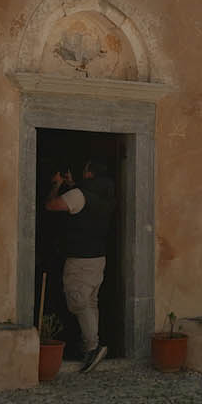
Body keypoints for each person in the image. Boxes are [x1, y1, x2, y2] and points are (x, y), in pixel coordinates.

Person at [44, 157, 115, 372]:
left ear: (89, 173)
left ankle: (93, 347)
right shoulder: (105, 195)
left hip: (80, 259)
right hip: (98, 257)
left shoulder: (77, 195)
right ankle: (91, 345)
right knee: (90, 302)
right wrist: (73, 185)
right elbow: (86, 205)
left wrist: (56, 185)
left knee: (78, 302)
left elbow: (51, 205)